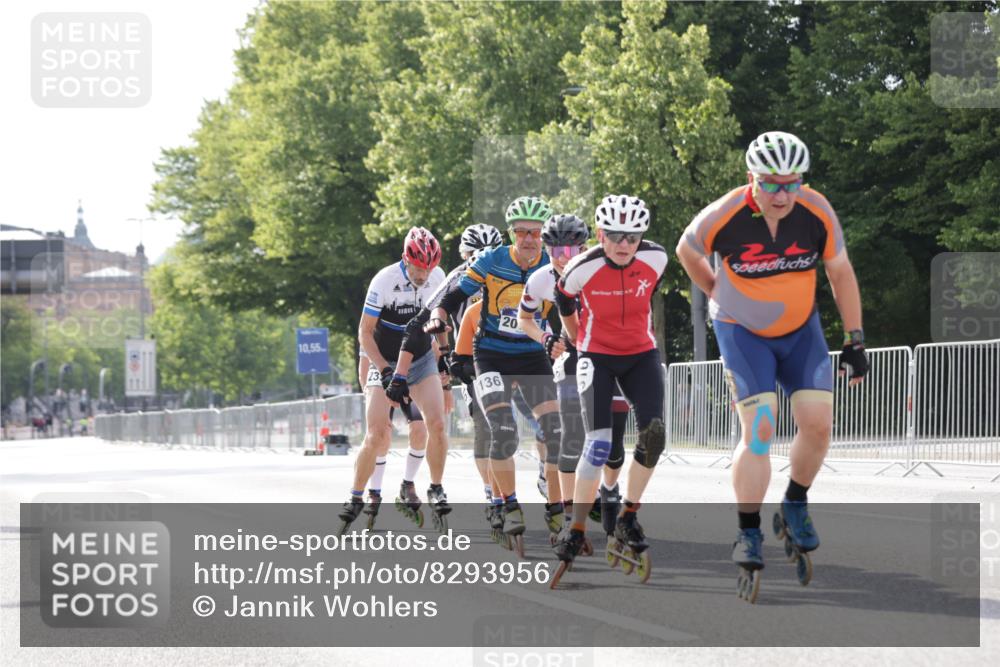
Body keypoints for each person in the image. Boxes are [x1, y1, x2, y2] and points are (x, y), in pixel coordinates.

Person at [676, 130, 867, 598]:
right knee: (761, 427)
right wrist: (716, 290)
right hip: (744, 334)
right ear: (751, 180)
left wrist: (855, 338)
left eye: (792, 183)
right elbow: (687, 248)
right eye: (771, 183)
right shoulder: (726, 214)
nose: (783, 194)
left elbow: (840, 272)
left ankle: (794, 503)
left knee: (819, 425)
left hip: (800, 330)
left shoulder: (816, 211)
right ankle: (747, 529)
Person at [425, 196, 563, 554]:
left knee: (554, 431)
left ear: (544, 235)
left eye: (535, 233)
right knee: (501, 429)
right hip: (492, 354)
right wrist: (440, 314)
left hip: (533, 354)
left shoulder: (554, 263)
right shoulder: (492, 260)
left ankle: (555, 507)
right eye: (521, 233)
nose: (529, 239)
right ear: (511, 233)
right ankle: (509, 503)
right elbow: (455, 294)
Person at [551, 195, 668, 571]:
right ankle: (578, 525)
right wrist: (576, 340)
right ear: (600, 234)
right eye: (615, 235)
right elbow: (564, 300)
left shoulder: (657, 258)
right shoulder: (579, 268)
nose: (623, 244)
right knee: (599, 443)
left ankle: (628, 515)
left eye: (632, 237)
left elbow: (647, 295)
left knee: (654, 434)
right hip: (596, 357)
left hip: (640, 355)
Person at [518, 214, 628, 542]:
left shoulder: (601, 267)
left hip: (607, 354)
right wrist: (544, 338)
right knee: (571, 436)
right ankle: (569, 516)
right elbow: (525, 318)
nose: (564, 256)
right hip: (570, 358)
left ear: (584, 246)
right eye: (555, 249)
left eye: (571, 248)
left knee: (612, 442)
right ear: (546, 249)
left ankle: (609, 493)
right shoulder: (540, 279)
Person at [338, 227, 446, 532]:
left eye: (429, 268)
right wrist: (383, 371)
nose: (424, 275)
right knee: (377, 433)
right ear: (405, 259)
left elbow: (441, 322)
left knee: (433, 425)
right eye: (418, 268)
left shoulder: (438, 277)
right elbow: (365, 332)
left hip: (421, 358)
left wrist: (445, 362)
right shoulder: (384, 281)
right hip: (383, 357)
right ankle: (358, 495)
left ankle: (433, 487)